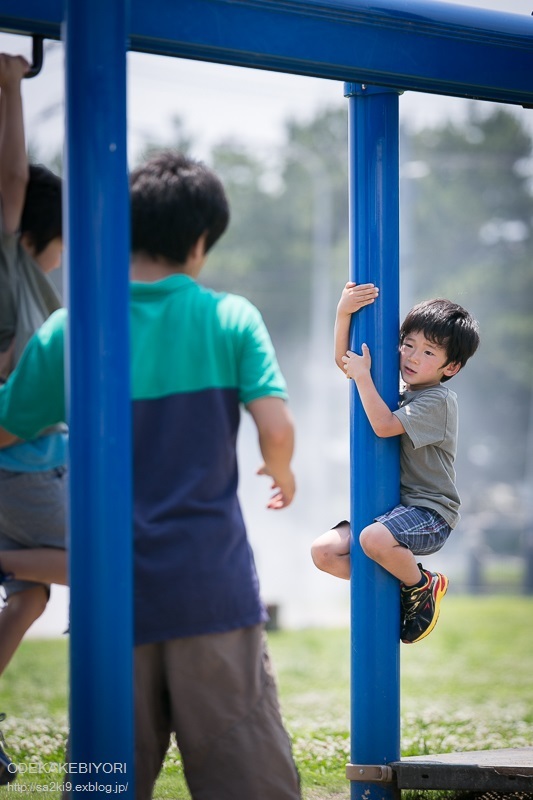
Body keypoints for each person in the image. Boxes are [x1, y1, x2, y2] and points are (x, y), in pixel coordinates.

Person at [0, 151, 301, 799]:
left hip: (109, 603)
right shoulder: (229, 318)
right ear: (199, 243)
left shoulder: (67, 330)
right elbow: (275, 430)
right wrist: (282, 472)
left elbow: (5, 427)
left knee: (104, 781)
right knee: (245, 778)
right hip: (209, 589)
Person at [311, 281, 480, 644]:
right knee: (324, 552)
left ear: (452, 367)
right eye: (408, 344)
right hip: (390, 513)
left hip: (430, 513)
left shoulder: (438, 400)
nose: (412, 357)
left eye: (429, 353)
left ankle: (421, 584)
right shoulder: (398, 391)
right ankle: (401, 587)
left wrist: (362, 378)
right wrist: (343, 313)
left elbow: (385, 425)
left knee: (372, 538)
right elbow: (346, 363)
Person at [0, 52, 66, 786]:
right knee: (110, 564)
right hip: (20, 465)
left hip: (31, 459)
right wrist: (11, 88)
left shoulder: (27, 284)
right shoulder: (10, 264)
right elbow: (15, 180)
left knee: (33, 595)